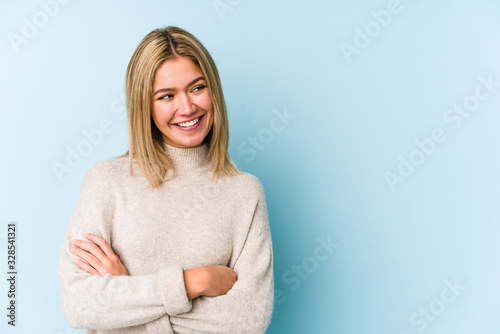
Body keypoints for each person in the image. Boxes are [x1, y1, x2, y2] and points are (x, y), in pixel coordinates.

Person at [57, 26, 274, 334]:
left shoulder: (244, 193)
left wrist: (125, 289)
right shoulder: (107, 182)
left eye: (197, 88)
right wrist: (194, 281)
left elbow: (248, 321)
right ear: (144, 106)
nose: (187, 108)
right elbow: (80, 305)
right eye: (166, 96)